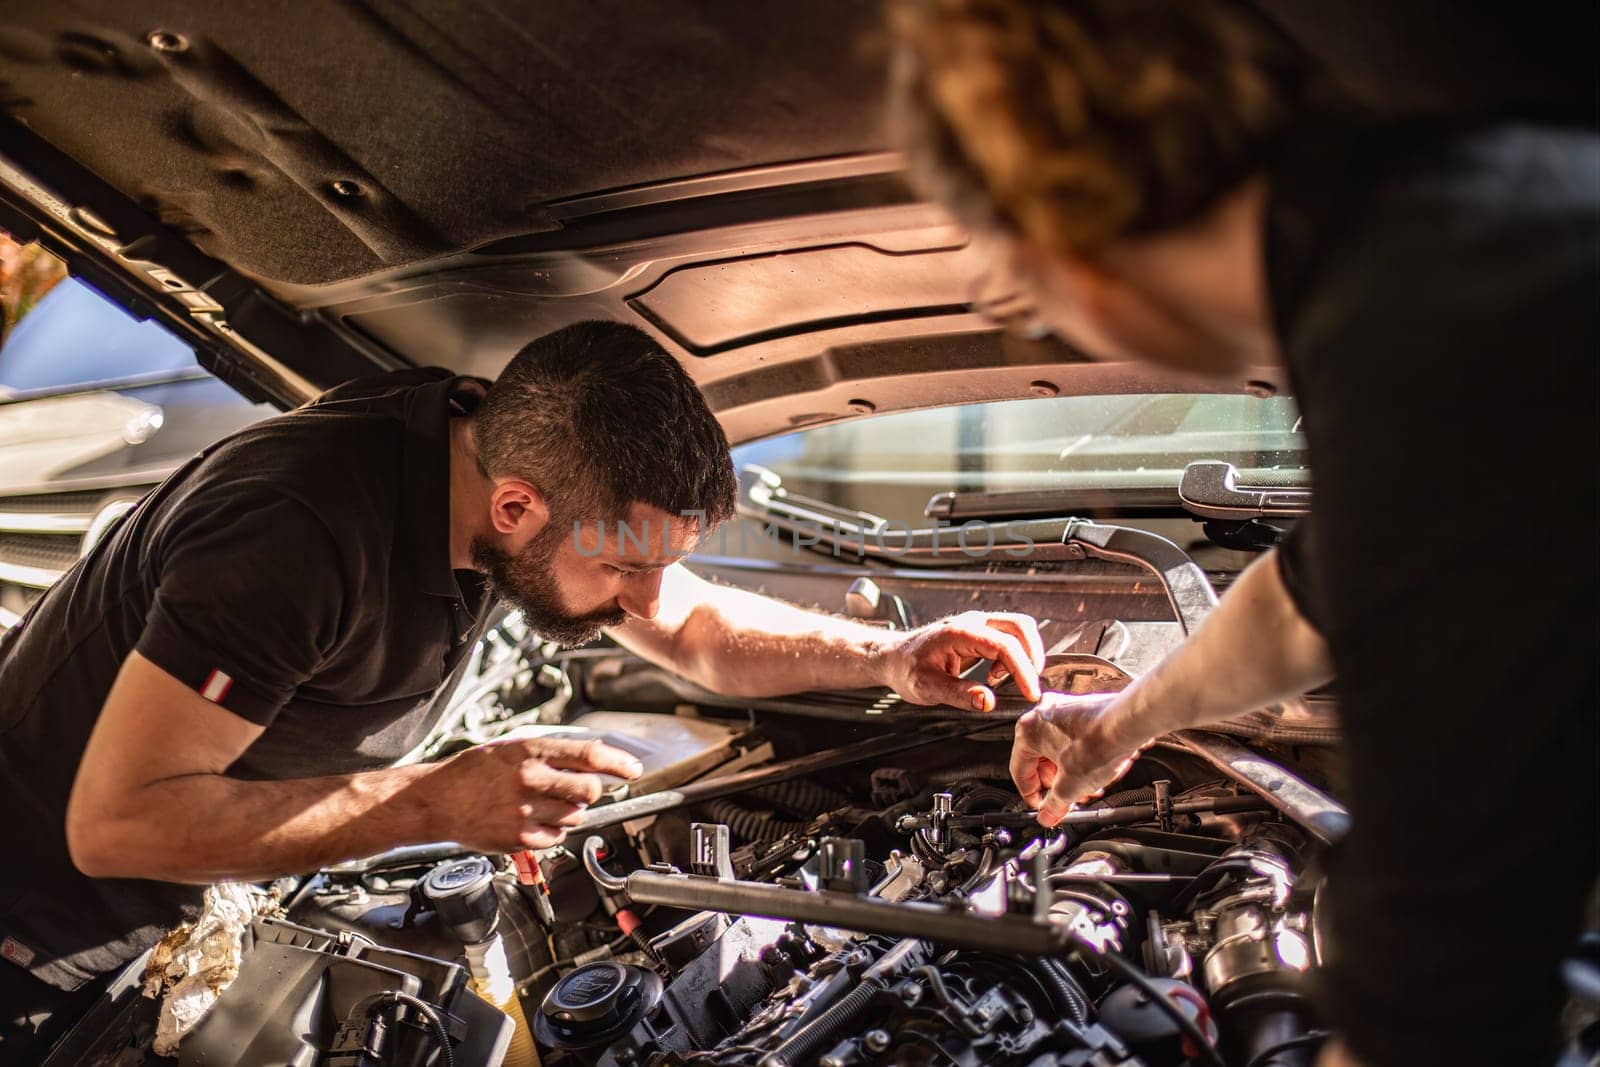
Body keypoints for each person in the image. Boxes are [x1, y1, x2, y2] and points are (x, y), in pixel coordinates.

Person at [0, 320, 1046, 1060]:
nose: (644, 599)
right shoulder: (295, 537)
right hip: (40, 951)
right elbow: (115, 823)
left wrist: (887, 658)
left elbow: (697, 626)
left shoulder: (484, 449)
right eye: (623, 569)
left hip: (200, 905)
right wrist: (434, 801)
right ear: (514, 506)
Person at [890, 2, 1597, 1064]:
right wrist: (1114, 725)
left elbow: (1439, 1004)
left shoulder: (1431, 335)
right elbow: (1308, 596)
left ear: (1064, 250)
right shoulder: (1441, 218)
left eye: (1022, 299)